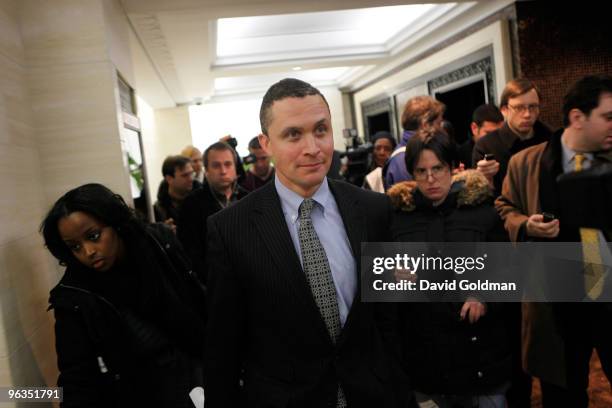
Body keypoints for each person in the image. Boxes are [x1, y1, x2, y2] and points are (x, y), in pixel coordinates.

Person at [204, 78, 413, 408]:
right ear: (266, 143)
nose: (313, 147)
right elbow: (223, 347)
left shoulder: (374, 210)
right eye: (293, 134)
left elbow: (390, 319)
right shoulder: (231, 229)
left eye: (320, 130)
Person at [495, 74, 612, 407]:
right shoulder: (524, 164)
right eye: (607, 117)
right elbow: (504, 207)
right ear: (578, 118)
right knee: (562, 393)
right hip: (555, 301)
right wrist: (525, 225)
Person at [41, 183, 207, 408]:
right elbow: (77, 379)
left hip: (201, 378)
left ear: (115, 224)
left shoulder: (159, 245)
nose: (88, 252)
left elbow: (201, 305)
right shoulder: (74, 297)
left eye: (94, 236)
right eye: (75, 247)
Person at [388, 129, 511, 408]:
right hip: (427, 359)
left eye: (437, 169)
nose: (430, 179)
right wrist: (391, 276)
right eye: (421, 171)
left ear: (453, 168)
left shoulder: (482, 212)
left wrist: (483, 295)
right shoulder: (397, 219)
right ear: (411, 173)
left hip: (481, 357)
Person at [177, 141, 248, 284]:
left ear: (235, 169)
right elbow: (190, 252)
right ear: (206, 170)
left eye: (228, 164)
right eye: (216, 165)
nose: (223, 171)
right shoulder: (191, 205)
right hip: (212, 285)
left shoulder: (249, 200)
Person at [473, 78, 552, 196]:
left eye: (533, 106)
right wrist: (483, 180)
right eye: (519, 108)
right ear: (504, 110)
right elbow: (480, 200)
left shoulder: (550, 138)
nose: (527, 114)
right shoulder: (486, 146)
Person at [384, 95, 445, 189]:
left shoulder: (411, 153)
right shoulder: (403, 160)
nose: (441, 129)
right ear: (425, 125)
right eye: (439, 123)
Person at [153, 155, 196, 231]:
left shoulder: (201, 199)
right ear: (169, 179)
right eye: (185, 175)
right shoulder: (158, 210)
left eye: (191, 173)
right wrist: (164, 233)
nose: (191, 179)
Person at [457, 104, 504, 169]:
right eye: (488, 133)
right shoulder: (460, 155)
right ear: (474, 128)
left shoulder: (505, 147)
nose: (494, 138)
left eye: (498, 133)